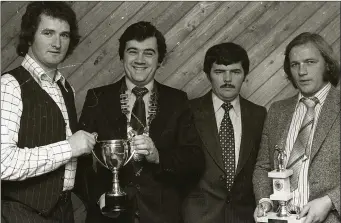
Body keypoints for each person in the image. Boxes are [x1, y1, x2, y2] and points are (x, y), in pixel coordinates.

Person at [79, 21, 205, 223]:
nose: (140, 60)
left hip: (161, 217)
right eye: (132, 51)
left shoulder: (177, 100)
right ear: (122, 56)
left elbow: (195, 160)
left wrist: (158, 157)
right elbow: (79, 162)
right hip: (108, 217)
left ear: (159, 59)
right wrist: (98, 197)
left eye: (148, 53)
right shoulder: (97, 98)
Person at [1, 2, 96, 222]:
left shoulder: (65, 88)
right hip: (19, 213)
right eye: (48, 33)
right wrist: (69, 147)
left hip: (63, 212)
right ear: (30, 36)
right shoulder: (9, 86)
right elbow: (3, 163)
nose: (57, 43)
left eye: (64, 35)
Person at [253, 32, 340, 223]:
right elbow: (263, 166)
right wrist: (265, 200)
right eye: (295, 64)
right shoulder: (277, 111)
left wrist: (330, 201)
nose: (302, 71)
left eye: (310, 62)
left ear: (327, 64)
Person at [182, 42, 267, 223]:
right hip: (198, 217)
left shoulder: (259, 114)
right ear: (208, 75)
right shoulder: (188, 111)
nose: (227, 79)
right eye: (219, 72)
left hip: (245, 217)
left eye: (235, 72)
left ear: (245, 75)